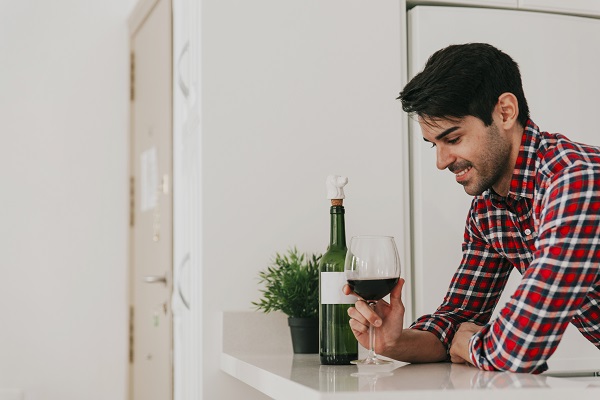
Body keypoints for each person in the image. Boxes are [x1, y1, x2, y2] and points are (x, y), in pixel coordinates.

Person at [343, 42, 600, 373]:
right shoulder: (488, 211)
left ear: (505, 112)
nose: (441, 161)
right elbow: (458, 319)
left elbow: (522, 348)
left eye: (452, 139)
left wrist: (470, 344)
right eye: (434, 145)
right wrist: (394, 341)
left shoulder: (577, 179)